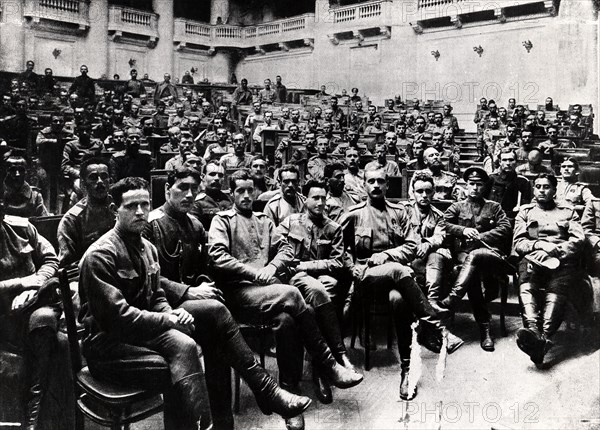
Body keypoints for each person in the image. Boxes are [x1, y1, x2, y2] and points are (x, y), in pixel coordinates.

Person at [144, 167, 311, 428]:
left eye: (193, 189)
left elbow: (203, 268)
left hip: (193, 305)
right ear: (167, 190)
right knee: (216, 314)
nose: (189, 195)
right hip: (158, 305)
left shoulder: (195, 224)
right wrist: (188, 291)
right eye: (181, 188)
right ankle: (266, 391)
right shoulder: (150, 224)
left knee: (218, 339)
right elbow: (148, 280)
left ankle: (224, 421)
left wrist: (202, 284)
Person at [208, 169, 363, 430]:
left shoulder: (264, 221)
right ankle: (330, 364)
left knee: (288, 320)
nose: (246, 195)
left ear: (256, 191)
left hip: (269, 292)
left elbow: (286, 250)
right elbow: (218, 256)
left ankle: (288, 396)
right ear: (231, 193)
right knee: (293, 293)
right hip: (239, 294)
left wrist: (271, 268)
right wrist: (256, 272)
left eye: (250, 190)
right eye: (239, 191)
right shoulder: (221, 221)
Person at [79, 177, 213, 430]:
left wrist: (172, 312)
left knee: (187, 344)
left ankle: (199, 425)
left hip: (139, 336)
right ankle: (199, 425)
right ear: (113, 210)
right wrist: (167, 320)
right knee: (176, 364)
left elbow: (157, 296)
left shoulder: (148, 248)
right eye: (131, 206)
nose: (140, 212)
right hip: (107, 346)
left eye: (145, 204)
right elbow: (117, 317)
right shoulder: (101, 254)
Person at [340, 168, 446, 401]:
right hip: (367, 278)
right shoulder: (354, 214)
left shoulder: (399, 212)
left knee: (399, 301)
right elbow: (340, 249)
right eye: (371, 181)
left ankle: (407, 370)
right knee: (400, 270)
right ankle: (433, 324)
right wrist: (351, 267)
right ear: (365, 185)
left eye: (381, 181)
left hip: (393, 279)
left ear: (388, 185)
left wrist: (387, 255)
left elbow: (411, 246)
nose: (376, 185)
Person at [277, 179, 357, 404]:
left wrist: (308, 266)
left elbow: (338, 262)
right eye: (316, 198)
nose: (321, 202)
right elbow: (281, 253)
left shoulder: (333, 227)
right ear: (306, 199)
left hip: (317, 280)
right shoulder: (290, 223)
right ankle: (337, 356)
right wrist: (302, 267)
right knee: (322, 289)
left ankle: (319, 369)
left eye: (324, 198)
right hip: (294, 280)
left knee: (322, 295)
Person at [513, 174, 587, 367]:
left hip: (562, 262)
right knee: (527, 285)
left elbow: (578, 241)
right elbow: (519, 243)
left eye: (546, 187)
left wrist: (557, 249)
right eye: (537, 186)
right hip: (534, 259)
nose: (541, 190)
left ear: (555, 190)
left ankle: (540, 339)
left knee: (555, 290)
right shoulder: (525, 212)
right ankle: (535, 333)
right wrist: (539, 244)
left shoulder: (568, 211)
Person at [0, 198, 61, 429]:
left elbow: (50, 259)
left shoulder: (21, 227)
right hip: (3, 313)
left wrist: (35, 286)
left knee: (43, 321)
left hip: (33, 304)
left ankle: (35, 414)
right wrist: (20, 284)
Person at [440, 167, 513, 351]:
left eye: (479, 185)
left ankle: (453, 298)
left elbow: (505, 227)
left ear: (485, 186)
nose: (474, 188)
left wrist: (483, 236)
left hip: (490, 256)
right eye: (471, 184)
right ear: (466, 185)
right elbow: (443, 224)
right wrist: (463, 230)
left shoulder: (494, 207)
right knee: (471, 269)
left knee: (475, 255)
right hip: (465, 256)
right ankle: (485, 329)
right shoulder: (457, 207)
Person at [406, 172, 464, 352]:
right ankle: (436, 329)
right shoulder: (403, 211)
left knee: (437, 254)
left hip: (427, 262)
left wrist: (429, 243)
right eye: (419, 191)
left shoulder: (439, 215)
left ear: (433, 193)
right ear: (413, 193)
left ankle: (431, 301)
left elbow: (439, 235)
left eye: (428, 191)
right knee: (435, 255)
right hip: (408, 259)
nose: (424, 196)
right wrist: (421, 244)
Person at [58, 157, 115, 268]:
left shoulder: (121, 208)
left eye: (104, 177)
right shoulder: (71, 220)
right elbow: (67, 264)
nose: (100, 182)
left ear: (110, 181)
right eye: (93, 178)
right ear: (83, 184)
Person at [483, 148, 532, 220]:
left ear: (516, 162)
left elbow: (525, 207)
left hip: (513, 220)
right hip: (491, 218)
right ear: (499, 162)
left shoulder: (523, 182)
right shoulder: (491, 179)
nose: (508, 163)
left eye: (511, 160)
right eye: (504, 160)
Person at [2, 150, 48, 217]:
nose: (17, 174)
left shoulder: (35, 197)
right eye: (13, 170)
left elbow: (44, 222)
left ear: (26, 172)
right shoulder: (2, 195)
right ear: (6, 172)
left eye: (21, 170)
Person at [189, 161, 232, 230]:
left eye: (220, 175)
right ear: (203, 177)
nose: (217, 178)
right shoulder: (197, 202)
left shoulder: (229, 200)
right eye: (212, 174)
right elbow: (195, 231)